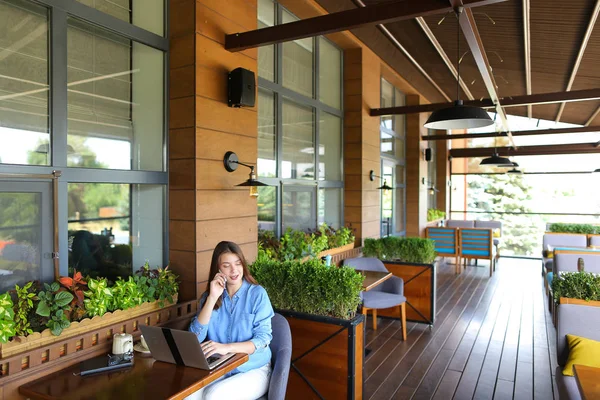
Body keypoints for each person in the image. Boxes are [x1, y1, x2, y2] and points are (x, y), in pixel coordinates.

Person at [185, 241, 274, 400]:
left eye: (238, 263)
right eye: (227, 266)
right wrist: (212, 298)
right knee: (188, 396)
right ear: (218, 269)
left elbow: (263, 339)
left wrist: (227, 347)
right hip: (221, 367)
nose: (234, 270)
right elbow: (194, 338)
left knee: (213, 396)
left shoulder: (257, 295)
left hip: (253, 368)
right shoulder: (209, 297)